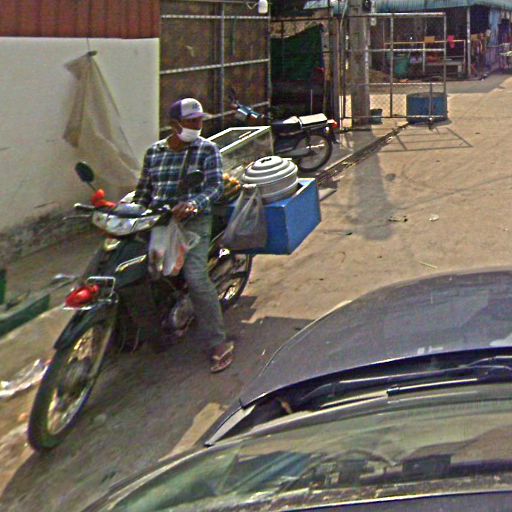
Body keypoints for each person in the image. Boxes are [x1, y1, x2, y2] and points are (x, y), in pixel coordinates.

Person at [133, 98, 234, 373]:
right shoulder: (154, 152)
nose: (197, 126)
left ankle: (218, 341)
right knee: (136, 266)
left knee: (195, 276)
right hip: (159, 220)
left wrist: (193, 204)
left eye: (199, 121)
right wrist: (129, 212)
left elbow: (215, 187)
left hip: (194, 221)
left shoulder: (207, 149)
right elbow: (143, 191)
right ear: (174, 125)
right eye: (191, 122)